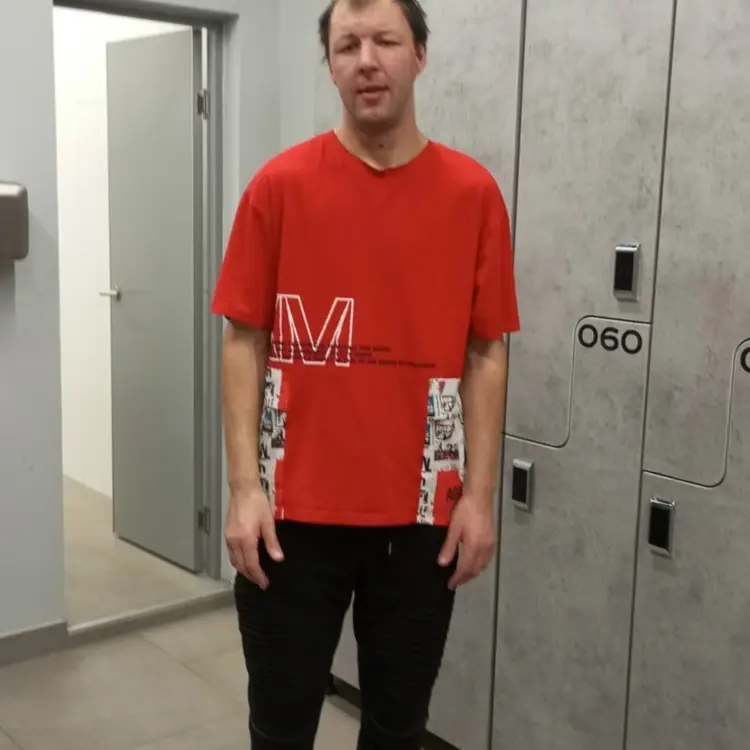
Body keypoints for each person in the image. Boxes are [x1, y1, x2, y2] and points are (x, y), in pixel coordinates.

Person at [210, 0, 520, 747]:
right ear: (330, 65)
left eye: (386, 41)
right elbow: (243, 339)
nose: (367, 61)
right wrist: (245, 490)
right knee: (280, 727)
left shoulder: (472, 194)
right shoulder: (279, 187)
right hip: (289, 520)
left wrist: (479, 497)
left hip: (422, 522)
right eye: (347, 45)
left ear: (420, 55)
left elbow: (485, 351)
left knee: (396, 727)